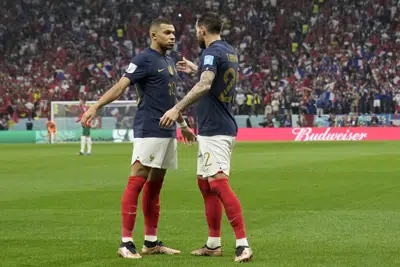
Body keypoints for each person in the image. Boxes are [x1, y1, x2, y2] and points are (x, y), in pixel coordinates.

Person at [80, 18, 196, 259]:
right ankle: (126, 243)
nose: (172, 36)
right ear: (154, 36)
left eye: (174, 32)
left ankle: (151, 242)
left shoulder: (169, 61)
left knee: (156, 187)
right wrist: (95, 106)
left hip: (167, 131)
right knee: (137, 181)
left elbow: (169, 99)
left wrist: (183, 125)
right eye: (167, 33)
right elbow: (121, 86)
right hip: (149, 129)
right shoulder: (143, 59)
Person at [159, 11, 253, 263]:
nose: (194, 35)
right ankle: (213, 244)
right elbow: (216, 79)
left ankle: (243, 245)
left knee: (218, 182)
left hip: (216, 127)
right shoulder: (229, 50)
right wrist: (197, 69)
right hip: (216, 125)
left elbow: (205, 84)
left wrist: (177, 108)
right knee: (205, 183)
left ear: (202, 30)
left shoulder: (210, 52)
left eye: (195, 31)